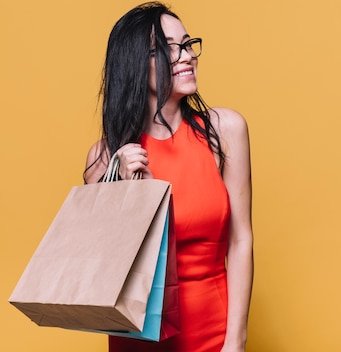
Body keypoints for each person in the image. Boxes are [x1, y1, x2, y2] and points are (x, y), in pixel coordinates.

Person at [83, 2, 254, 351]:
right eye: (166, 49)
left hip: (213, 334)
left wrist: (235, 341)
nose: (186, 56)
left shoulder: (224, 131)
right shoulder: (105, 158)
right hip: (136, 338)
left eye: (187, 44)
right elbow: (103, 267)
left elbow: (240, 242)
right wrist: (121, 188)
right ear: (133, 64)